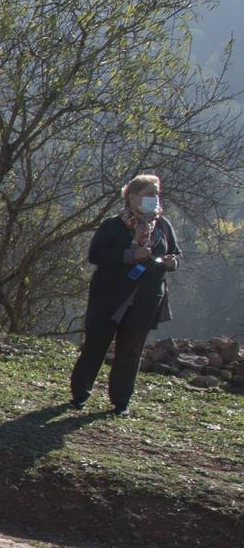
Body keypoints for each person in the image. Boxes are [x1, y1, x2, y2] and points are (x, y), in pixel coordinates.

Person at [70, 173, 180, 416]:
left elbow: (176, 253)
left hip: (146, 298)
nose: (154, 198)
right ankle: (79, 394)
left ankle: (121, 402)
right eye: (149, 194)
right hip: (109, 296)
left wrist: (172, 262)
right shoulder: (112, 225)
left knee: (131, 351)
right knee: (96, 345)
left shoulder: (163, 226)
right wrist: (129, 256)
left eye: (157, 194)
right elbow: (95, 255)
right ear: (132, 196)